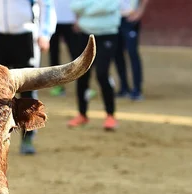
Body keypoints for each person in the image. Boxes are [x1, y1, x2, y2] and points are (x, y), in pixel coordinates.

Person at [0, 0, 56, 155]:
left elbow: (46, 4)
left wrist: (45, 34)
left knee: (28, 89)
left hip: (25, 36)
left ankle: (28, 137)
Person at [67, 0, 120, 131]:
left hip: (107, 34)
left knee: (102, 74)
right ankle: (82, 113)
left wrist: (86, 8)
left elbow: (109, 5)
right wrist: (94, 6)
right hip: (86, 34)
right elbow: (74, 6)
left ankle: (110, 115)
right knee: (81, 73)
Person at [115, 0, 149, 100]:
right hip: (114, 18)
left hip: (129, 18)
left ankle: (137, 90)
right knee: (117, 54)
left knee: (132, 53)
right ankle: (124, 88)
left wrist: (140, 12)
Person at [49, 0, 78, 96]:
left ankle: (82, 85)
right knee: (54, 55)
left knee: (76, 54)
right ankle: (57, 86)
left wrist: (77, 19)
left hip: (71, 21)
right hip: (52, 22)